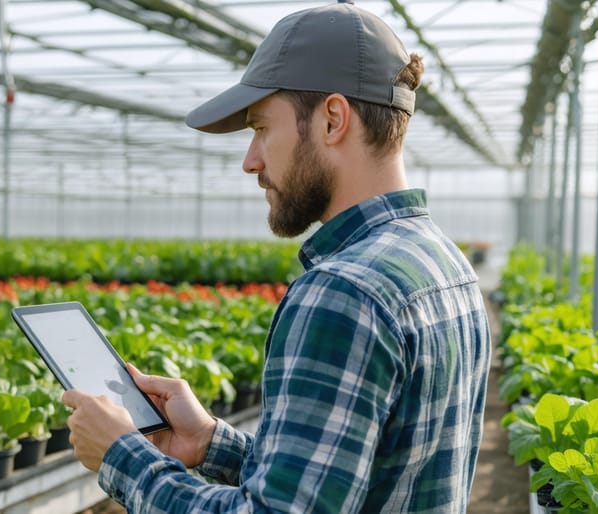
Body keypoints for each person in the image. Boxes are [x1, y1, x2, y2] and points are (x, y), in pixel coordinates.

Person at [61, 1, 492, 512]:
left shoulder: (345, 292)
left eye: (262, 128)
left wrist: (122, 455)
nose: (251, 161)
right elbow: (350, 480)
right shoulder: (443, 264)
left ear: (333, 119)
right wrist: (210, 443)